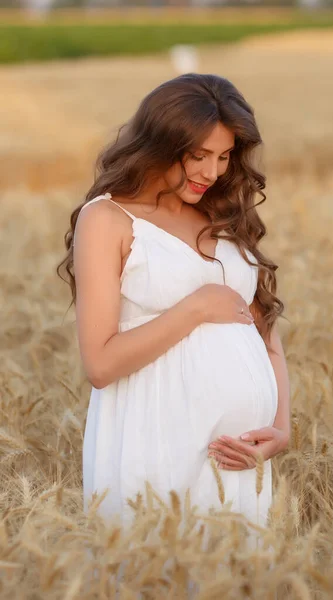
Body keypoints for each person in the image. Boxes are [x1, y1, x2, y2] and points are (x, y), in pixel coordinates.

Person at [57, 72, 291, 536]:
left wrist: (281, 428)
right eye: (198, 155)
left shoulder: (221, 211)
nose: (213, 172)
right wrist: (197, 308)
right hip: (154, 438)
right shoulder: (108, 219)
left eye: (224, 157)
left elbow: (262, 328)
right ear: (160, 144)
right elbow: (100, 364)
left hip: (239, 458)